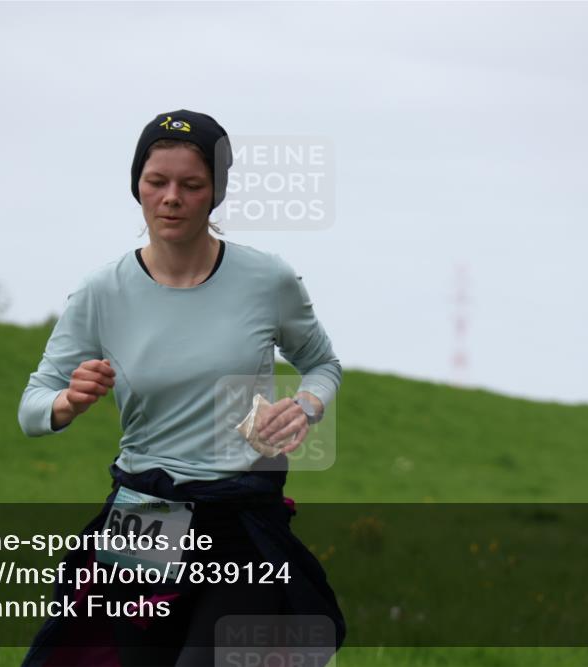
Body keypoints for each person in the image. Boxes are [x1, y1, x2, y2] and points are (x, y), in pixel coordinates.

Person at [18, 109, 345, 667]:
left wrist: (306, 407)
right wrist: (68, 402)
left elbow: (322, 364)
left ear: (215, 192)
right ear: (137, 187)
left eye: (191, 185)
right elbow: (32, 407)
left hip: (241, 515)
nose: (171, 198)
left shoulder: (267, 280)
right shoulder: (103, 291)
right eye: (156, 182)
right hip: (145, 517)